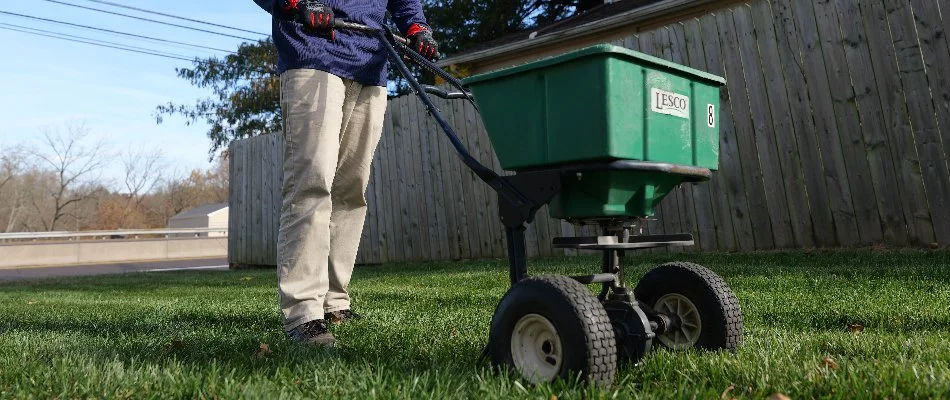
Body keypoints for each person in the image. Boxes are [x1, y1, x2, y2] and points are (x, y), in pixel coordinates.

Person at [252, 0, 439, 346]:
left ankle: (334, 300)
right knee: (311, 184)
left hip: (371, 63)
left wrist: (417, 28)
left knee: (352, 190)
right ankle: (304, 313)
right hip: (313, 50)